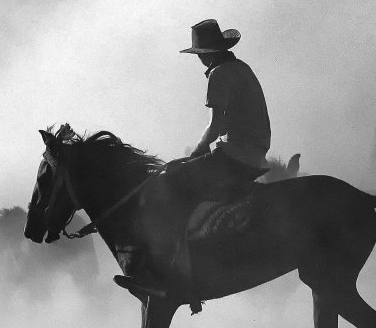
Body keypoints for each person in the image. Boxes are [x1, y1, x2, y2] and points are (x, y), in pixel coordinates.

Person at [114, 19, 272, 297]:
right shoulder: (241, 68)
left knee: (168, 184)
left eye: (200, 55)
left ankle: (167, 272)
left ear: (206, 54)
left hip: (235, 153)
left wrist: (198, 149)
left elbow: (217, 125)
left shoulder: (220, 73)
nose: (200, 61)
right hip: (254, 150)